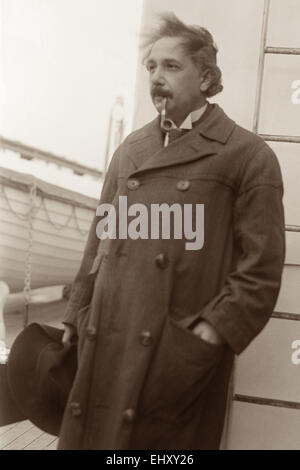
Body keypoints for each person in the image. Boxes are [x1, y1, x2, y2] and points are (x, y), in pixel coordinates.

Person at [59, 13, 285, 450]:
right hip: (106, 340)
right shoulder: (132, 149)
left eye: (171, 67)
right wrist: (75, 315)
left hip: (174, 352)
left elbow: (261, 271)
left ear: (205, 77)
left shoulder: (247, 155)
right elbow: (99, 241)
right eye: (151, 67)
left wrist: (210, 334)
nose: (157, 78)